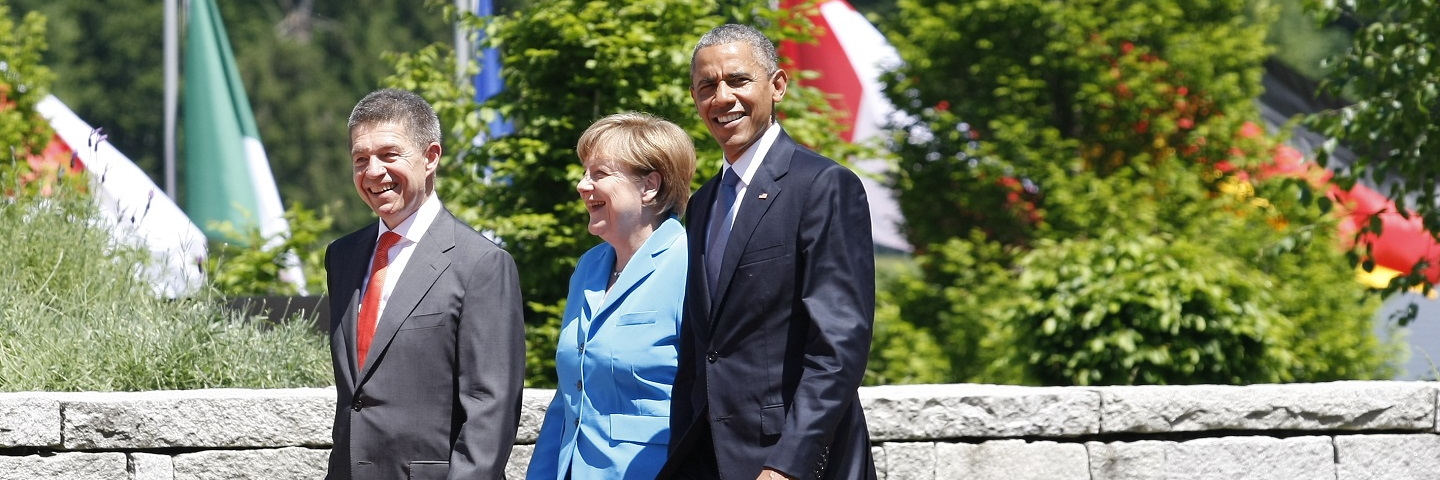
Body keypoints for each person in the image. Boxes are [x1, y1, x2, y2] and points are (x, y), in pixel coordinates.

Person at [659, 24, 878, 480]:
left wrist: (786, 467)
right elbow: (702, 351)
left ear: (777, 85)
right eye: (707, 86)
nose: (722, 98)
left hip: (791, 464)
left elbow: (838, 349)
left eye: (738, 81)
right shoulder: (701, 204)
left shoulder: (821, 186)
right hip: (712, 459)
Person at [325, 88, 525, 480]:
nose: (372, 172)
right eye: (360, 159)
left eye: (389, 155)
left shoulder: (482, 263)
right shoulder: (342, 257)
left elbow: (491, 407)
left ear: (431, 157)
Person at [526, 112, 696, 480]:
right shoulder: (589, 267)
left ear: (649, 186)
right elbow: (570, 396)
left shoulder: (691, 264)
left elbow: (711, 398)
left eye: (599, 174)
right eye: (585, 172)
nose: (582, 185)